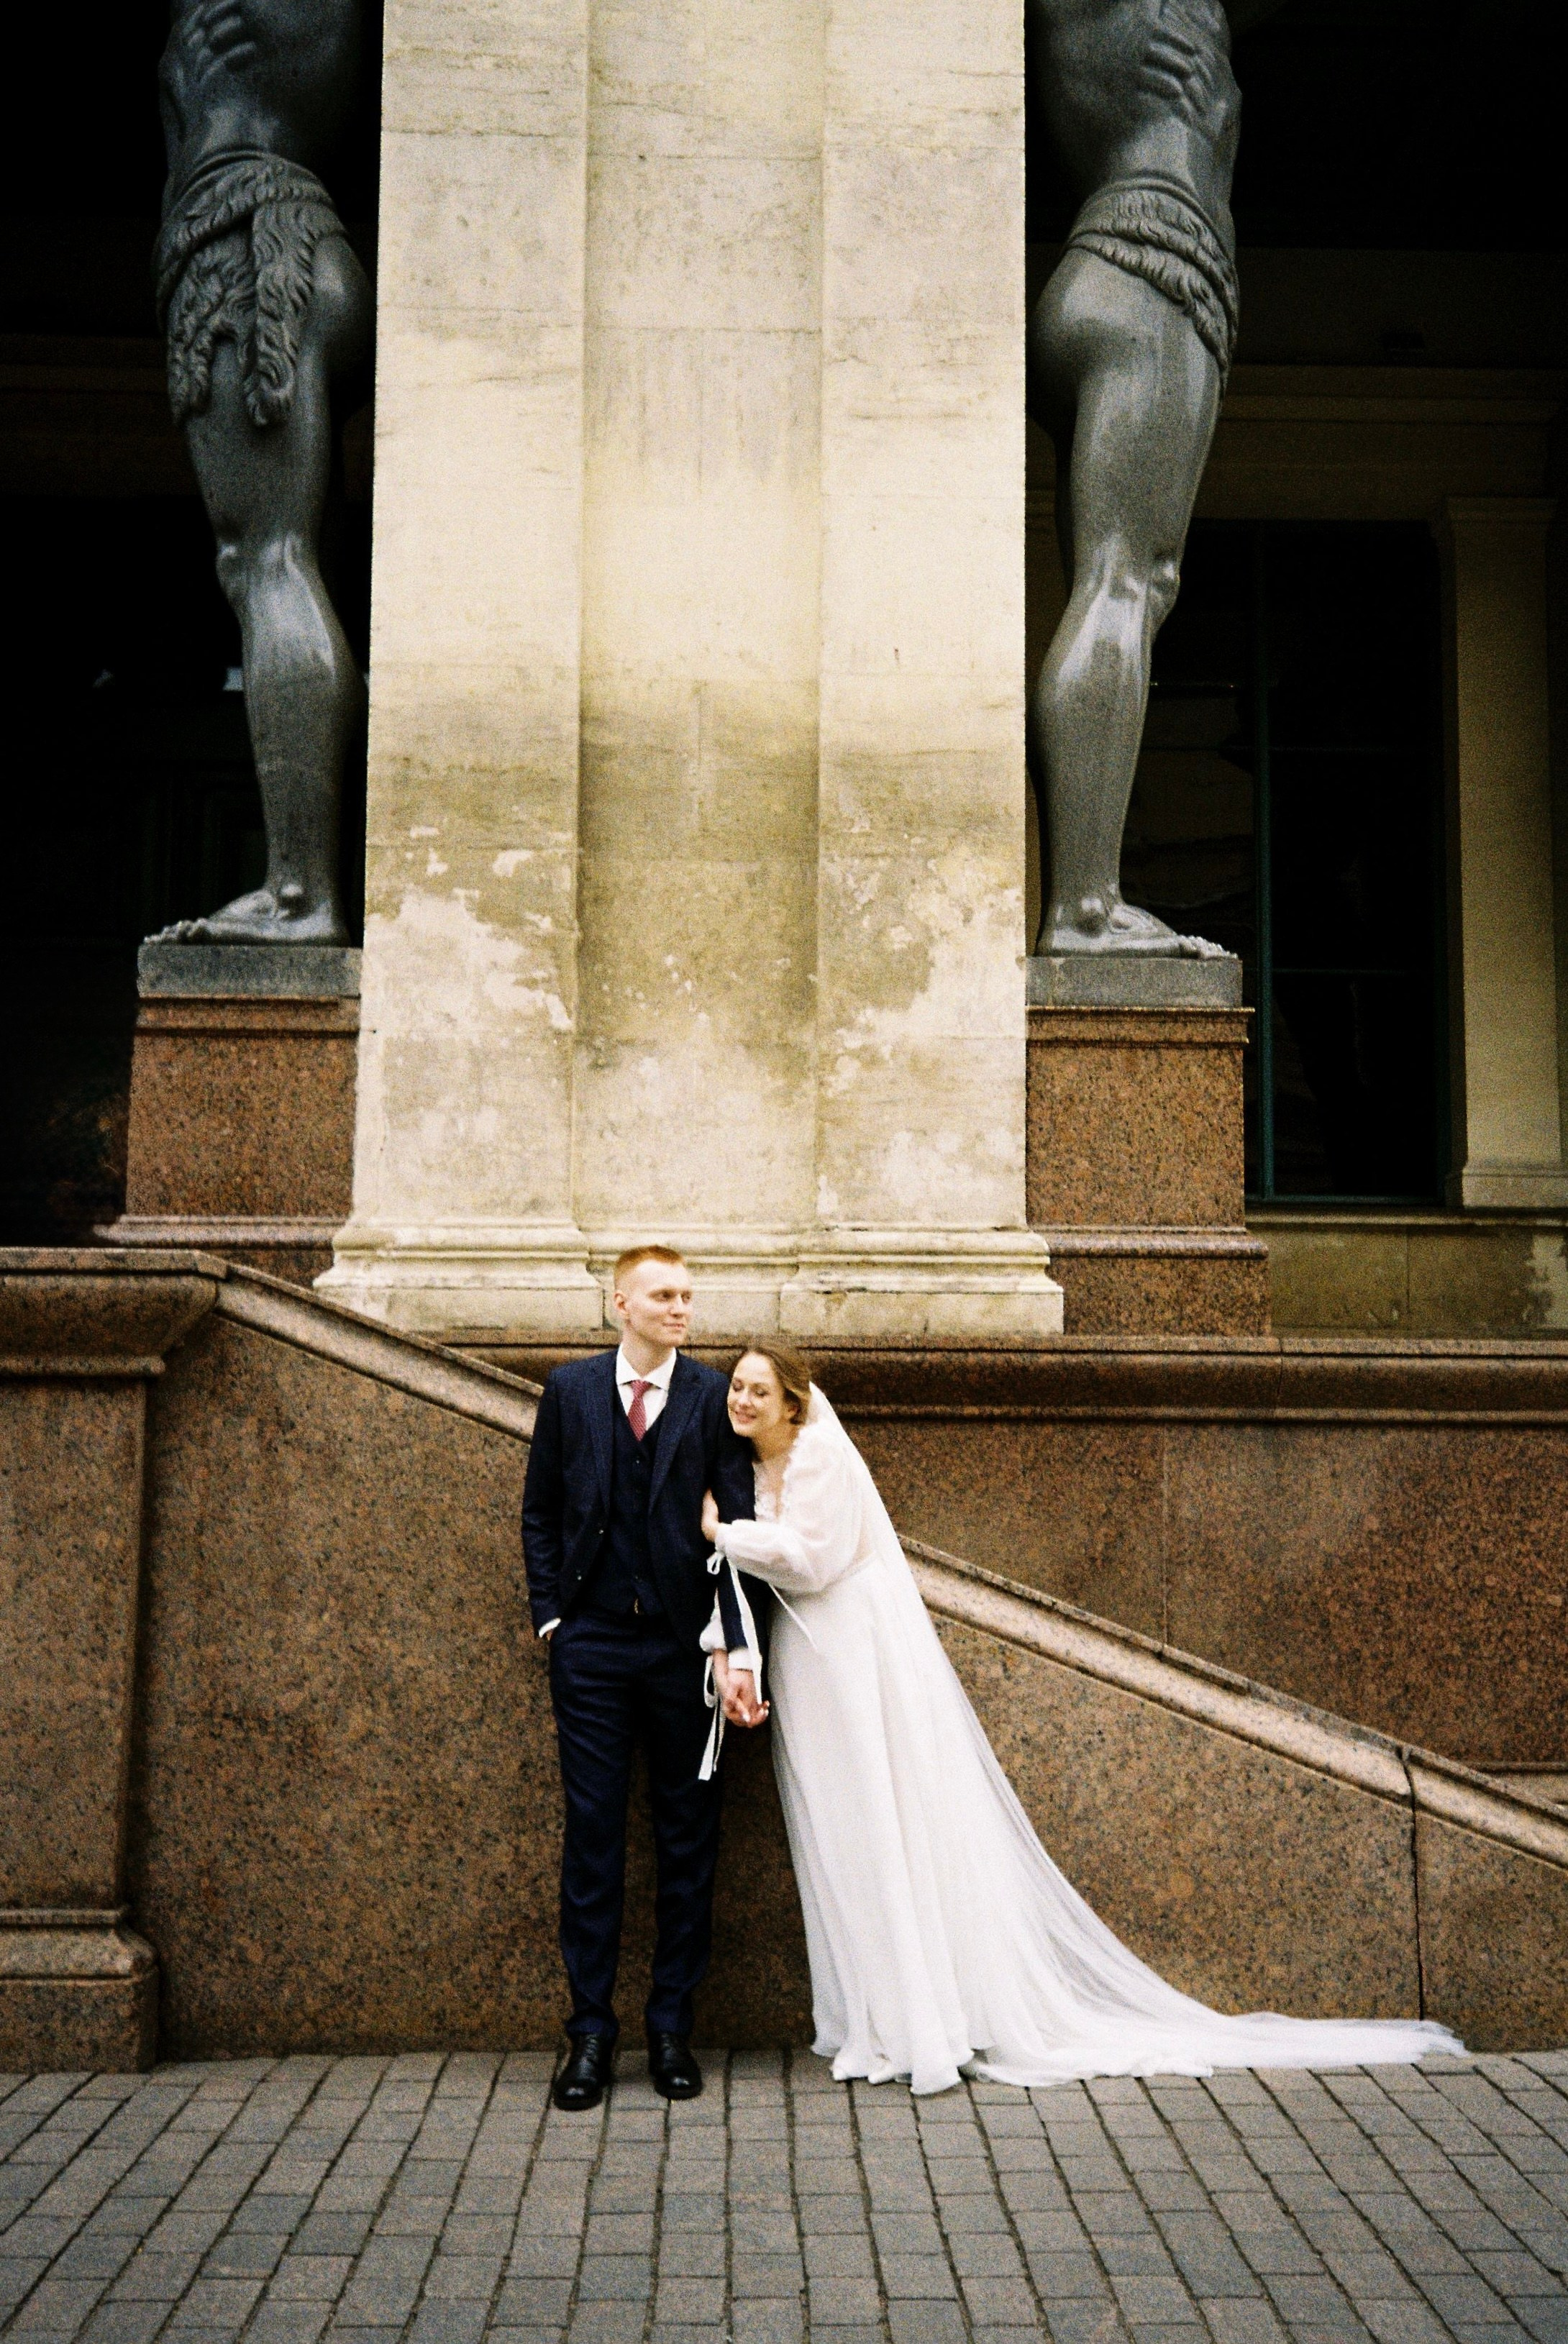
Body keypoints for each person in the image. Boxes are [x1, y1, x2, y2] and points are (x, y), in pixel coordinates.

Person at [702, 1342, 1464, 2096]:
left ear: (793, 1404)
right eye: (736, 1386)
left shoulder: (820, 1459)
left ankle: (916, 2023)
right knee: (842, 1832)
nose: (741, 1400)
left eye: (757, 1391)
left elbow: (811, 1560)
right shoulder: (753, 1465)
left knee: (884, 1820)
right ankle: (873, 2012)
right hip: (813, 1661)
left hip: (856, 1657)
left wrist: (719, 1534)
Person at [521, 1247, 768, 2110]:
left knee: (685, 1840)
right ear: (618, 1301)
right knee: (591, 1839)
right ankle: (589, 2033)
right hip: (588, 1649)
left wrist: (735, 1649)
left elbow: (735, 1528)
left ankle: (671, 2029)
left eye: (688, 1296)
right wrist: (552, 1614)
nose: (680, 1309)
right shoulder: (570, 1389)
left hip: (681, 1650)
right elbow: (541, 1509)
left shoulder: (709, 1397)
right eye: (663, 1295)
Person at [152, 0, 370, 944]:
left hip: (244, 238)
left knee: (266, 558)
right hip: (291, 229)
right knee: (274, 555)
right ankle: (302, 887)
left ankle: (299, 895)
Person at [1029, 0, 1240, 957]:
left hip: (1119, 263)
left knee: (1115, 581)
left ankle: (1086, 899)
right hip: (1156, 266)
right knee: (1129, 580)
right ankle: (1086, 910)